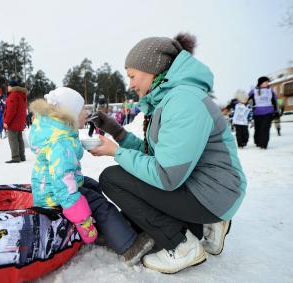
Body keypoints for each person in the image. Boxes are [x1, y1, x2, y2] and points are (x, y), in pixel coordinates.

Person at [89, 33, 246, 273]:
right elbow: (157, 154)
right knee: (141, 211)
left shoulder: (184, 100)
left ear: (152, 69)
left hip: (212, 192)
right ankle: (204, 226)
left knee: (113, 178)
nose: (130, 84)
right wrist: (115, 131)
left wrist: (117, 153)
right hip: (202, 186)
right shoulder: (171, 98)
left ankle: (182, 245)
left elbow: (166, 175)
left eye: (132, 76)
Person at [29, 87, 141, 255]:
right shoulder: (61, 143)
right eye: (82, 108)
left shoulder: (57, 133)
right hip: (55, 199)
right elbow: (64, 186)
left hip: (49, 190)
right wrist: (82, 220)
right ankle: (129, 245)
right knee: (101, 207)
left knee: (92, 185)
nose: (86, 111)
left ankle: (109, 229)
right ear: (69, 114)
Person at [247, 76, 279, 149]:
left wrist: (276, 111)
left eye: (268, 82)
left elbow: (275, 101)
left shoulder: (270, 91)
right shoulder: (254, 90)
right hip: (257, 113)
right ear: (260, 83)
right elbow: (245, 98)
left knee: (265, 128)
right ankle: (258, 141)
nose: (267, 83)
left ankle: (264, 144)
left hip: (268, 112)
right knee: (258, 129)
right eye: (265, 82)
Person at [3, 80, 27, 163]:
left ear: (11, 86)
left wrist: (6, 122)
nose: (7, 87)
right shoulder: (21, 95)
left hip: (13, 122)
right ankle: (22, 156)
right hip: (19, 121)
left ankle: (15, 157)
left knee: (13, 139)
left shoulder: (13, 95)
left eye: (8, 86)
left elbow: (11, 110)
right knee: (19, 139)